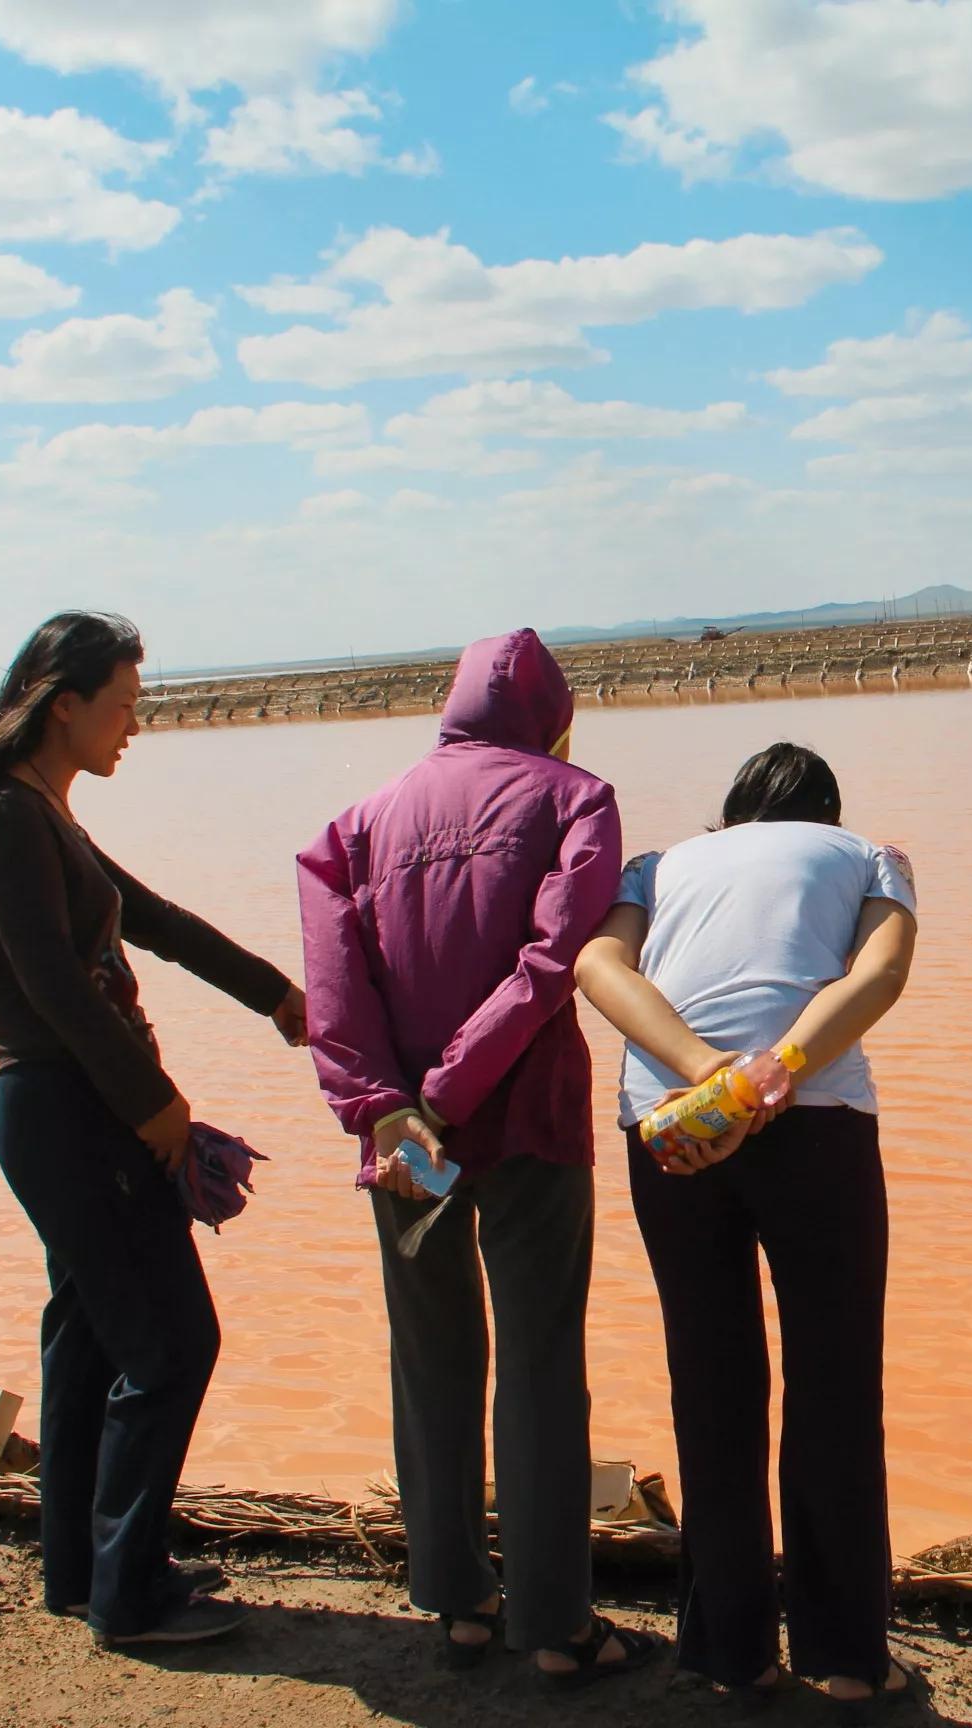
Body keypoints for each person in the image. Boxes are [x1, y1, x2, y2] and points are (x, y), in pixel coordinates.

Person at [0, 611, 307, 1648]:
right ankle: (128, 1599)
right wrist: (156, 1109)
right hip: (68, 1108)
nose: (135, 725)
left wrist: (276, 996)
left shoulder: (42, 815)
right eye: (123, 705)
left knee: (89, 1344)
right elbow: (53, 990)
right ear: (63, 705)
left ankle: (88, 1568)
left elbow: (154, 921)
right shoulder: (7, 823)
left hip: (67, 1108)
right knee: (171, 1346)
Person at [296, 627, 666, 1689]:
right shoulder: (575, 798)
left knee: (433, 1357)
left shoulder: (354, 825)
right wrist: (454, 1090)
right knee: (543, 1364)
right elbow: (554, 961)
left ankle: (457, 1601)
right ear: (553, 718)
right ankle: (555, 1626)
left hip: (402, 1141)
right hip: (528, 1121)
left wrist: (385, 1108)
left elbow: (333, 986)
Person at [574, 741, 920, 1712]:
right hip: (812, 1120)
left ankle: (733, 1655)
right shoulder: (869, 855)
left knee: (712, 1383)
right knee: (834, 1385)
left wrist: (705, 1076)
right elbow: (881, 976)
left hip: (671, 1124)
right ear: (826, 809)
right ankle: (847, 1657)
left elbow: (597, 965)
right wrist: (774, 1069)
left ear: (731, 816)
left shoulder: (658, 866)